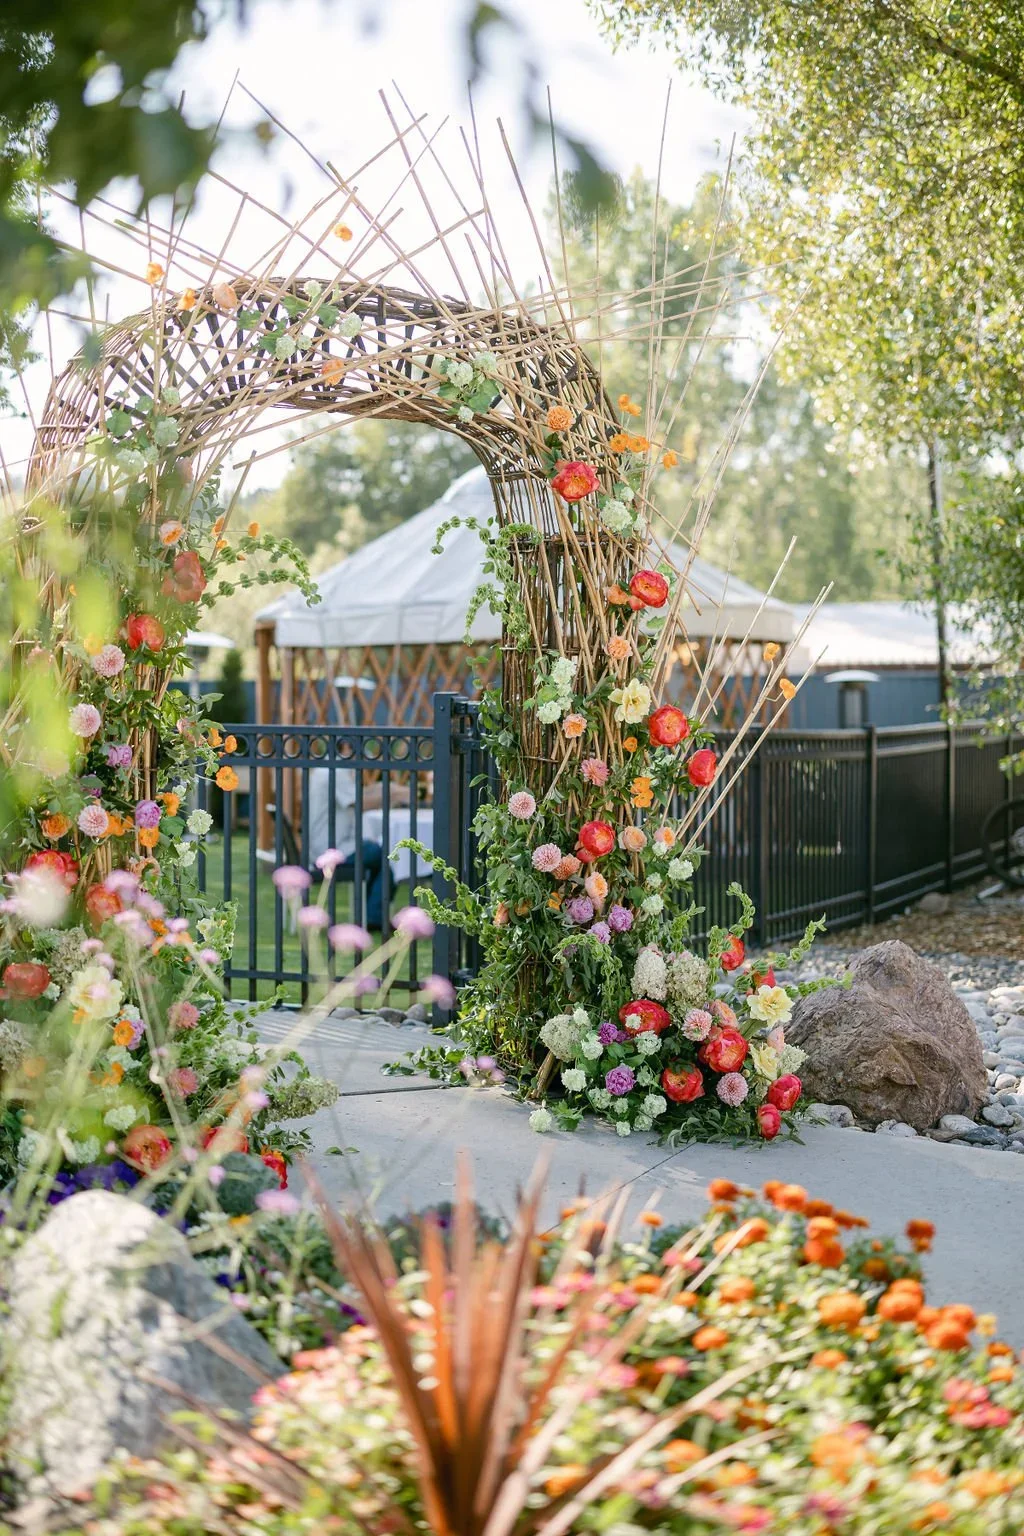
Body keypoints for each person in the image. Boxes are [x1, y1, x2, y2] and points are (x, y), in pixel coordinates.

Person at [306, 767, 409, 930]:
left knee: (382, 856)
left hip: (329, 845)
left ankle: (372, 915)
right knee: (386, 854)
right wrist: (393, 794)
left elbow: (357, 793)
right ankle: (374, 917)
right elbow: (360, 803)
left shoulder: (327, 769)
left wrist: (383, 788)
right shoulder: (335, 772)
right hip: (332, 849)